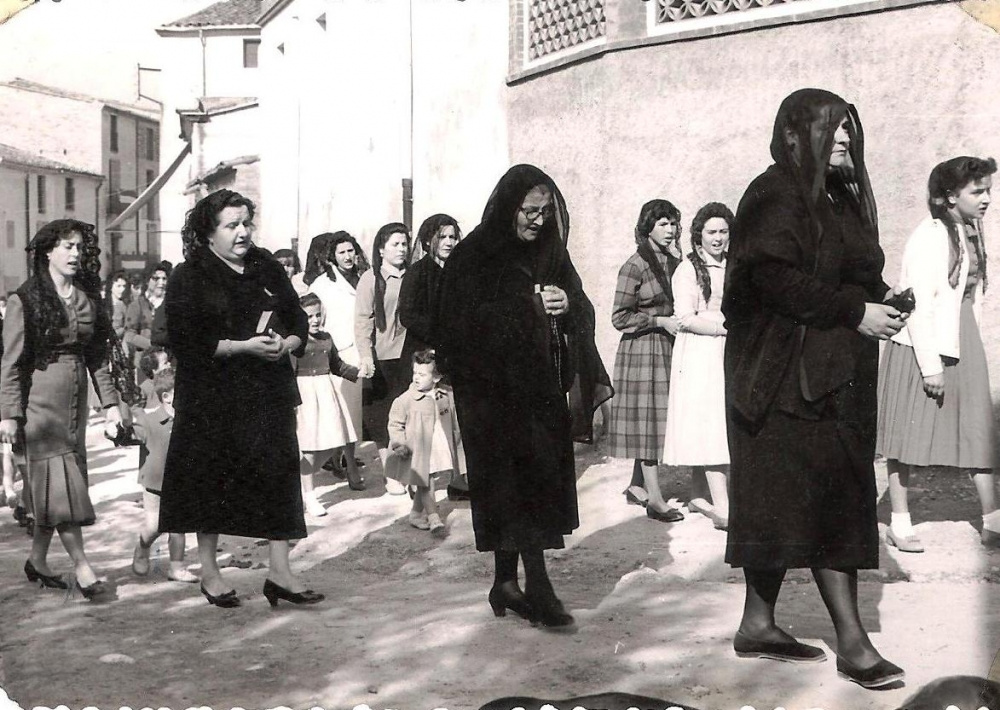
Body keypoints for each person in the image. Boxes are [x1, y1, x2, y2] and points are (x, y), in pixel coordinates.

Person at [723, 89, 906, 687]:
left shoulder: (840, 198)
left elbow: (856, 273)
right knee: (821, 499)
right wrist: (855, 311)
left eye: (851, 131)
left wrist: (883, 303)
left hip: (832, 375)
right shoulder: (773, 193)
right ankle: (854, 644)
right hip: (780, 381)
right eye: (835, 131)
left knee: (795, 500)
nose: (847, 141)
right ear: (797, 136)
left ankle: (757, 624)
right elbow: (773, 278)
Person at [436, 164, 611, 629]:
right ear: (507, 208)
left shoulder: (550, 251)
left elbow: (582, 302)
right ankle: (538, 584)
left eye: (545, 211)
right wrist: (528, 308)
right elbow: (452, 325)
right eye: (529, 211)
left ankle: (505, 583)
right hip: (491, 395)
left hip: (539, 391)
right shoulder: (473, 256)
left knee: (532, 484)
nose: (538, 220)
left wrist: (566, 304)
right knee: (510, 487)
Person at [158, 189, 323, 609]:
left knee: (280, 475)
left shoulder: (266, 265)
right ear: (208, 232)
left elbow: (297, 315)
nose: (243, 232)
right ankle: (210, 573)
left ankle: (281, 572)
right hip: (212, 397)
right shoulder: (189, 275)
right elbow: (184, 341)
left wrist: (288, 341)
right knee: (209, 480)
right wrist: (242, 346)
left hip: (267, 390)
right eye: (232, 225)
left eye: (246, 223)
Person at [877, 156, 999, 552]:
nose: (986, 199)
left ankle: (994, 521)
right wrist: (930, 368)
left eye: (988, 191)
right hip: (922, 341)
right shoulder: (929, 235)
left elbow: (969, 297)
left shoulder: (970, 231)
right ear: (949, 197)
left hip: (962, 336)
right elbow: (919, 306)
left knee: (977, 425)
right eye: (976, 191)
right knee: (907, 435)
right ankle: (899, 522)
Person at [0, 219, 123, 600]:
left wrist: (112, 404)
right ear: (48, 251)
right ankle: (84, 568)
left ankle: (37, 559)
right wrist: (8, 413)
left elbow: (98, 356)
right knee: (62, 484)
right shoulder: (26, 299)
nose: (75, 254)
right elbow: (11, 363)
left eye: (79, 248)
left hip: (76, 405)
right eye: (67, 247)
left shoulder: (87, 298)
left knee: (56, 488)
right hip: (40, 407)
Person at [607, 199, 685, 523]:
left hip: (667, 346)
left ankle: (636, 485)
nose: (670, 230)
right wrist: (657, 322)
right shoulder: (635, 265)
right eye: (663, 223)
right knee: (650, 421)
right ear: (647, 227)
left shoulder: (674, 262)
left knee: (654, 418)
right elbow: (618, 316)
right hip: (643, 350)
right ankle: (655, 499)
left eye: (673, 223)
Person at [662, 202, 734, 529]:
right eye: (711, 232)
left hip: (727, 352)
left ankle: (697, 494)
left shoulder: (734, 265)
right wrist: (724, 328)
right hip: (701, 353)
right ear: (699, 235)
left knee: (718, 419)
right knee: (711, 424)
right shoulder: (687, 269)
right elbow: (685, 318)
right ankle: (723, 507)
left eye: (723, 231)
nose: (717, 239)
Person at [398, 213, 470, 502]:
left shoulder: (462, 271)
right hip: (424, 357)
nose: (449, 242)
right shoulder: (417, 273)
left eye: (453, 236)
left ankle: (458, 480)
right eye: (443, 237)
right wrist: (440, 336)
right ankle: (418, 486)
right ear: (430, 240)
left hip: (454, 357)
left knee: (454, 420)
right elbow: (407, 314)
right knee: (423, 422)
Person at [306, 232, 369, 477]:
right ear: (332, 256)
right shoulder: (322, 284)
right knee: (342, 413)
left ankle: (341, 460)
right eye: (341, 252)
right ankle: (346, 465)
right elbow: (312, 317)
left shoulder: (363, 278)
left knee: (354, 415)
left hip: (363, 349)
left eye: (351, 250)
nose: (347, 256)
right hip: (338, 353)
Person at [385, 349, 467, 536]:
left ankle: (415, 514)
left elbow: (456, 418)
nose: (416, 378)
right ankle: (434, 518)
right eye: (415, 373)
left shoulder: (447, 395)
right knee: (425, 480)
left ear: (436, 377)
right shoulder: (405, 400)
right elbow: (395, 424)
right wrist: (399, 444)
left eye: (422, 374)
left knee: (429, 478)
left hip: (439, 444)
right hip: (417, 448)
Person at [294, 292, 363, 514]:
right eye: (309, 316)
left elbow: (337, 365)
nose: (315, 320)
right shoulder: (295, 342)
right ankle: (309, 495)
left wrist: (358, 372)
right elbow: (288, 372)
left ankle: (299, 480)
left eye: (317, 315)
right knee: (310, 446)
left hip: (326, 392)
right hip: (305, 394)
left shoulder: (326, 338)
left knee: (334, 442)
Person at [355, 222, 411, 489]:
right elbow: (363, 320)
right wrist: (366, 356)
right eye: (395, 244)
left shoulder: (412, 275)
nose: (402, 249)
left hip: (409, 355)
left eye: (404, 244)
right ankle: (392, 475)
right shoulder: (371, 278)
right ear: (381, 249)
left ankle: (408, 470)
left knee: (409, 415)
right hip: (381, 358)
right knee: (382, 418)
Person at [129, 368, 197, 583]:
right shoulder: (150, 421)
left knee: (179, 525)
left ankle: (176, 567)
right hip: (155, 483)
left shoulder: (191, 420)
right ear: (166, 397)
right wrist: (121, 429)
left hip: (181, 480)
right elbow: (133, 433)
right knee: (155, 525)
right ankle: (142, 547)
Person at [125, 262, 169, 383]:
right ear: (147, 281)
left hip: (167, 361)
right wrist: (152, 344)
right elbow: (129, 336)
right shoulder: (137, 305)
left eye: (164, 278)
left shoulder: (170, 304)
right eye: (156, 278)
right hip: (145, 363)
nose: (161, 282)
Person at [104, 271, 129, 341]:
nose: (122, 289)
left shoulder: (124, 305)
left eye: (124, 286)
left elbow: (128, 327)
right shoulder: (102, 304)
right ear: (110, 286)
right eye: (118, 286)